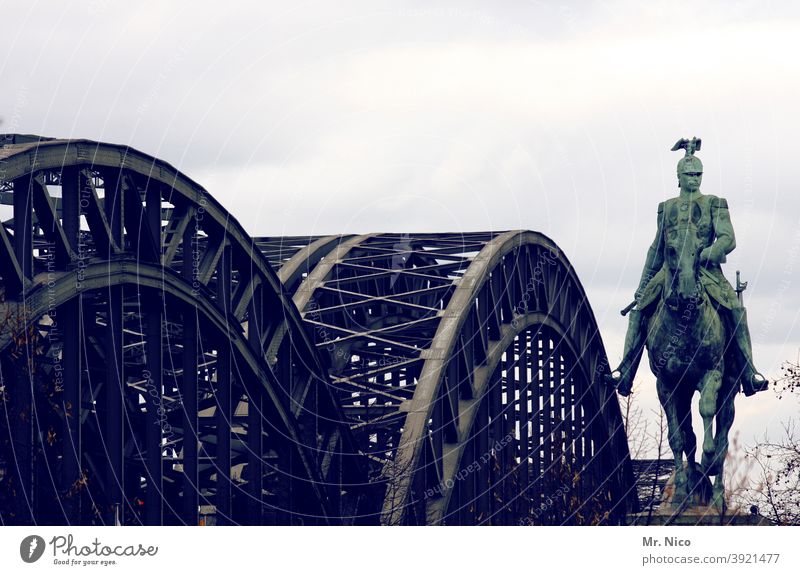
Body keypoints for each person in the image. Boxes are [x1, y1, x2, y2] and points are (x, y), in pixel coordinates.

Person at [606, 138, 768, 397]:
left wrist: (708, 252)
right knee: (640, 310)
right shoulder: (666, 208)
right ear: (679, 176)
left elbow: (728, 238)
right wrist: (642, 285)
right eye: (689, 174)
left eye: (698, 174)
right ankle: (625, 371)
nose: (694, 178)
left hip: (706, 271)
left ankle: (749, 371)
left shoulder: (714, 203)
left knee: (735, 308)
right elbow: (656, 249)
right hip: (669, 271)